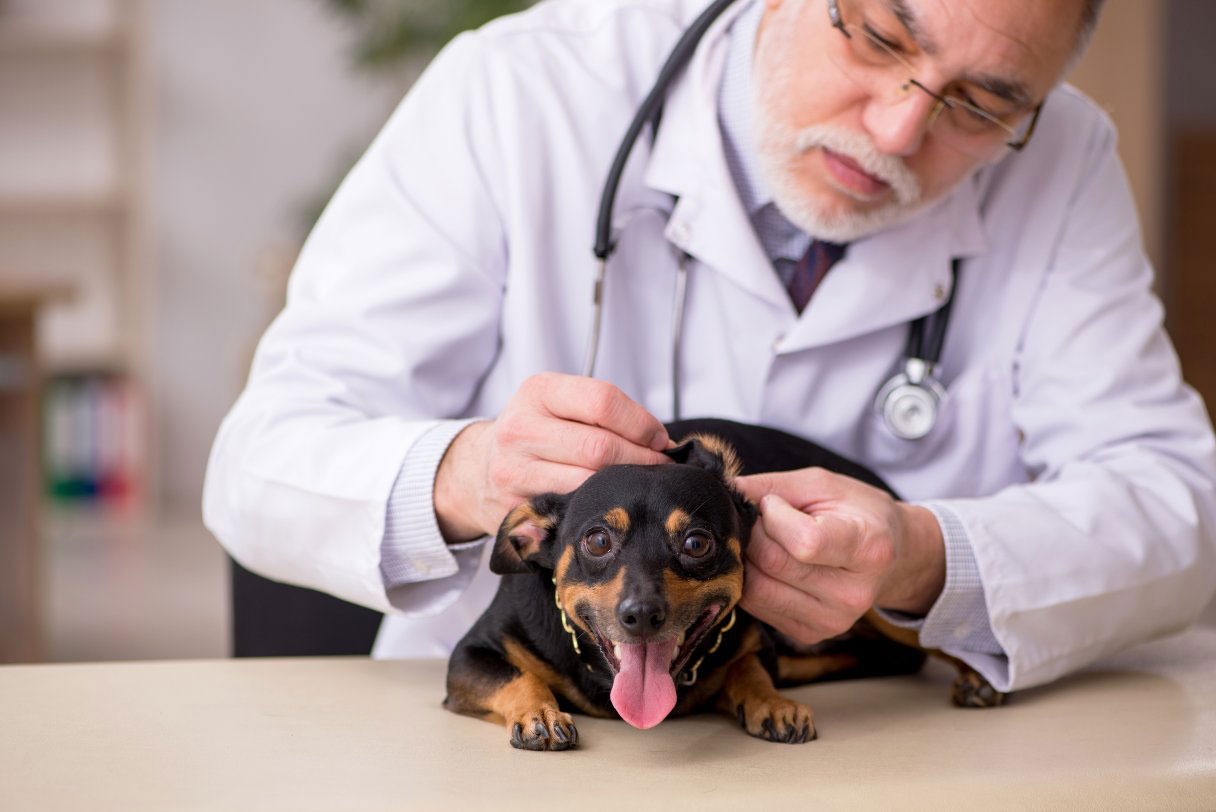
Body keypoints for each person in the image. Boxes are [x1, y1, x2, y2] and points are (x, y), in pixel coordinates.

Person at [203, 0, 1216, 694]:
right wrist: (466, 474)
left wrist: (926, 558)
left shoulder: (1063, 159)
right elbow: (259, 460)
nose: (900, 128)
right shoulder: (520, 90)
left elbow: (1179, 504)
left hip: (867, 743)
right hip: (518, 732)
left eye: (982, 105)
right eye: (876, 36)